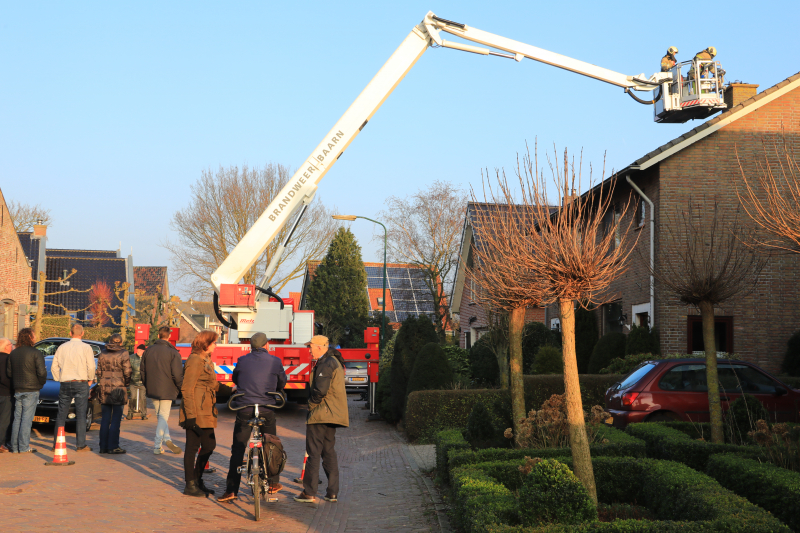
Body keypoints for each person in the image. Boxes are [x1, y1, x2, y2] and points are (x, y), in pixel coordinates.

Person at [218, 332, 287, 503]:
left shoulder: (242, 360)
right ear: (266, 345)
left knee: (238, 448)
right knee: (271, 443)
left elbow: (236, 378)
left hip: (245, 407)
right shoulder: (275, 361)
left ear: (251, 346)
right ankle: (273, 483)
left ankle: (231, 490)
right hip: (266, 408)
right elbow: (282, 382)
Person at [294, 335, 349, 504]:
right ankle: (332, 493)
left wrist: (311, 405)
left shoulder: (326, 363)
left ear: (319, 347)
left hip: (321, 413)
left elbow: (320, 390)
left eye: (310, 347)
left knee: (314, 452)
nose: (309, 350)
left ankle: (309, 492)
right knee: (328, 451)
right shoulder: (333, 361)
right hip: (331, 414)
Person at [180, 330, 229, 497]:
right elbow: (187, 388)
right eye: (214, 342)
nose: (216, 345)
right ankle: (190, 485)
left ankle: (197, 479)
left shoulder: (206, 360)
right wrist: (190, 416)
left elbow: (212, 384)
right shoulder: (194, 360)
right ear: (206, 344)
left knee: (209, 445)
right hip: (196, 410)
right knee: (192, 447)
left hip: (206, 410)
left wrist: (231, 390)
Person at [51, 323, 96, 452]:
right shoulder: (86, 347)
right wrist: (90, 379)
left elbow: (54, 366)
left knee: (61, 414)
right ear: (82, 333)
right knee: (81, 414)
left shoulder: (62, 347)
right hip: (81, 382)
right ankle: (80, 444)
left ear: (70, 333)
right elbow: (91, 366)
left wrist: (59, 378)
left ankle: (56, 444)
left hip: (65, 382)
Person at [141, 326, 183, 455]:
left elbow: (142, 371)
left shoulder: (148, 351)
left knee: (160, 416)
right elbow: (177, 374)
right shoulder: (173, 353)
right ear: (169, 336)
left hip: (153, 388)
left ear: (158, 336)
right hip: (167, 389)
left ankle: (166, 439)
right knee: (163, 416)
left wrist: (147, 384)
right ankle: (157, 444)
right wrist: (181, 388)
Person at [6, 328, 46, 454]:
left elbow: (9, 373)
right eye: (34, 335)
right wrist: (40, 383)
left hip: (18, 389)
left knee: (17, 418)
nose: (35, 337)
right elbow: (42, 372)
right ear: (29, 337)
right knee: (26, 419)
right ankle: (23, 447)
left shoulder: (13, 353)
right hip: (31, 389)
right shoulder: (36, 353)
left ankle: (14, 446)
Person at [96, 333, 132, 454]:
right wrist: (126, 383)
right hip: (118, 387)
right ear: (120, 342)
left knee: (105, 418)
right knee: (116, 418)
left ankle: (103, 446)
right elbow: (127, 371)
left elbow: (99, 371)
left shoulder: (103, 353)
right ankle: (113, 446)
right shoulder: (124, 353)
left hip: (104, 388)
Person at [0, 338, 15, 452]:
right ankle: (1, 443)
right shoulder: (7, 359)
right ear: (6, 347)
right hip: (5, 393)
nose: (12, 346)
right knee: (5, 420)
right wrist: (13, 387)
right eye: (10, 344)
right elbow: (5, 378)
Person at [126, 344, 147, 420]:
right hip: (133, 381)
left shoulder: (147, 358)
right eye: (137, 349)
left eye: (140, 350)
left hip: (143, 382)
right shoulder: (131, 357)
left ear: (143, 351)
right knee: (132, 397)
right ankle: (130, 413)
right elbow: (128, 369)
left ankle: (144, 414)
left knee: (142, 398)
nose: (138, 351)